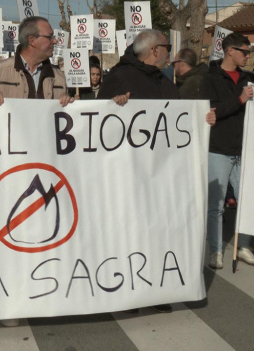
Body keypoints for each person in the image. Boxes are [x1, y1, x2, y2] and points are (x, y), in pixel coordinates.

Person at [0, 16, 71, 326]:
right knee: (10, 234)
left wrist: (69, 105)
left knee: (39, 232)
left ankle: (38, 292)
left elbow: (62, 116)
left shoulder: (57, 74)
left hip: (44, 163)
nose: (54, 41)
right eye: (50, 36)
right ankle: (10, 301)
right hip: (7, 165)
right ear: (32, 41)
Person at [98, 29, 180, 313]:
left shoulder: (164, 79)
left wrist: (202, 117)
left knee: (156, 230)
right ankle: (128, 289)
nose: (171, 52)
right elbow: (95, 120)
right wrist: (113, 105)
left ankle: (156, 290)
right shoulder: (119, 77)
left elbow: (180, 115)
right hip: (127, 171)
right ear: (155, 50)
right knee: (129, 231)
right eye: (168, 47)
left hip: (159, 171)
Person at [200, 32, 254, 269]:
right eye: (244, 51)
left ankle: (243, 246)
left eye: (248, 52)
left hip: (245, 148)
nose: (247, 56)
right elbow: (211, 112)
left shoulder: (249, 77)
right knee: (216, 204)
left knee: (247, 201)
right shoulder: (210, 78)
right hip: (218, 148)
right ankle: (215, 250)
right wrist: (240, 100)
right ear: (230, 51)